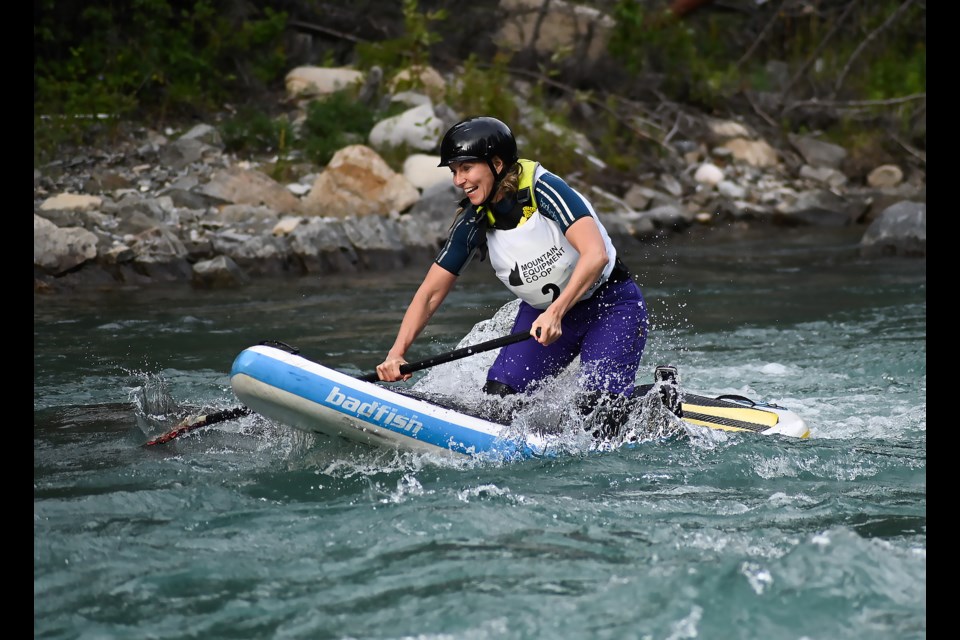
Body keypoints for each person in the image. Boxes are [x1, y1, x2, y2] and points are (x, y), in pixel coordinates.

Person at [375, 116, 650, 439]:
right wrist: (397, 353)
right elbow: (430, 293)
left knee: (598, 412)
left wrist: (557, 312)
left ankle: (650, 404)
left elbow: (595, 254)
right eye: (453, 171)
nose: (458, 180)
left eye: (466, 168)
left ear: (496, 163)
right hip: (542, 314)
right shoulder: (474, 220)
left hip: (611, 305)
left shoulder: (546, 190)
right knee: (500, 400)